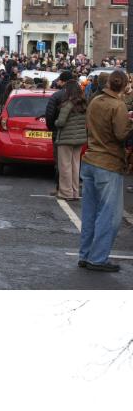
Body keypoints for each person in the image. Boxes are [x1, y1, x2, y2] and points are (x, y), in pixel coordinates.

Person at [78, 69, 131, 272]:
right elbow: (120, 135)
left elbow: (89, 128)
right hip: (108, 164)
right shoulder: (118, 106)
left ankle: (84, 255)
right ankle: (98, 258)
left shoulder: (95, 101)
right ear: (124, 86)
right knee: (109, 215)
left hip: (90, 159)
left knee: (90, 212)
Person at [53, 77, 86, 201]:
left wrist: (55, 122)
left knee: (65, 166)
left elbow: (61, 122)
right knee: (75, 166)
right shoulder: (83, 103)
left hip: (66, 139)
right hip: (79, 140)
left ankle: (66, 193)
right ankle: (75, 192)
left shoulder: (67, 104)